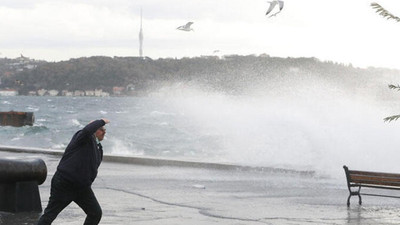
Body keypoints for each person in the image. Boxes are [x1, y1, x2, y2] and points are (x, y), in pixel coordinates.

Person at [37, 118, 110, 225]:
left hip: (82, 188)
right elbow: (87, 131)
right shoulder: (82, 137)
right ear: (93, 129)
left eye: (104, 129)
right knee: (49, 215)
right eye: (101, 129)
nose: (104, 131)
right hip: (65, 184)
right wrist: (101, 121)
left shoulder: (98, 147)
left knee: (95, 213)